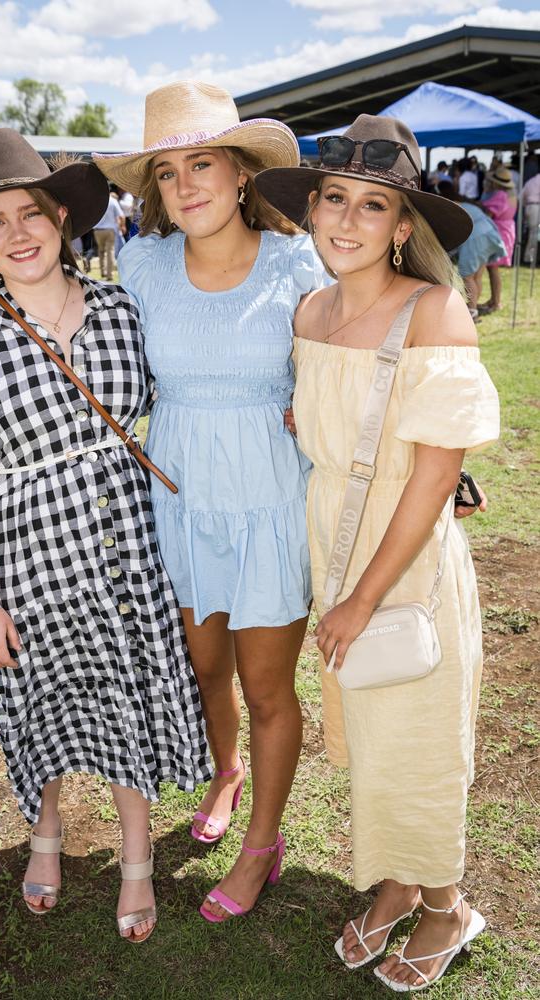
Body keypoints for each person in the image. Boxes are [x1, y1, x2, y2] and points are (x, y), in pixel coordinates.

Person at [0, 128, 210, 942]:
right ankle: (43, 836)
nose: (18, 234)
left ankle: (136, 852)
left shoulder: (121, 309)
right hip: (29, 561)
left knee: (125, 699)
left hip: (129, 552)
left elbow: (187, 394)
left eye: (30, 214)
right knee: (37, 702)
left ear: (60, 218)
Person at [256, 114, 499, 992]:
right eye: (334, 199)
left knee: (420, 733)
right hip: (334, 535)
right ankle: (398, 881)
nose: (347, 221)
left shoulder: (434, 310)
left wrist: (359, 599)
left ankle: (447, 905)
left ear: (404, 227)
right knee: (372, 728)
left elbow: (434, 479)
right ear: (313, 209)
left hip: (404, 558)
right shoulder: (311, 309)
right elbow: (340, 423)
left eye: (373, 206)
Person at [93, 80, 327, 923]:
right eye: (166, 172)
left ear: (240, 176)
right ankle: (225, 770)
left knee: (268, 686)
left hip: (269, 496)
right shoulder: (143, 265)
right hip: (181, 495)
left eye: (203, 164)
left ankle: (263, 844)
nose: (185, 185)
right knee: (204, 666)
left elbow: (354, 354)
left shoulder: (300, 261)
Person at [437, 181, 506, 317]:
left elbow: (453, 231)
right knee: (477, 276)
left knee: (467, 277)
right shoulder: (465, 203)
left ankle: (471, 312)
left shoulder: (452, 206)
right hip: (489, 234)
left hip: (477, 237)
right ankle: (473, 307)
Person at [478, 166, 517, 313]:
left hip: (499, 231)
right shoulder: (510, 194)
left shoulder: (500, 194)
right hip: (506, 230)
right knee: (492, 267)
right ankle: (494, 299)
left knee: (493, 267)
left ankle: (496, 302)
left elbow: (489, 213)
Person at [93, 184, 126, 280]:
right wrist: (123, 226)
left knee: (101, 251)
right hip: (110, 230)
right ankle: (109, 274)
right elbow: (122, 215)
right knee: (110, 251)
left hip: (97, 230)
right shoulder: (113, 201)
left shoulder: (96, 201)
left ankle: (103, 272)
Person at [521, 168, 540, 264]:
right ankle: (530, 258)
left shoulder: (530, 181)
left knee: (532, 233)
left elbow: (521, 196)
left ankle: (529, 256)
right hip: (536, 207)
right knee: (534, 233)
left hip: (529, 206)